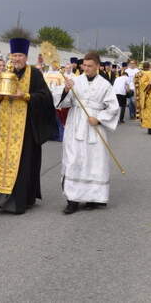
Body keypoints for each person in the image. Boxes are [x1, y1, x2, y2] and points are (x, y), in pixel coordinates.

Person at [0, 38, 58, 214]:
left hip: (24, 129)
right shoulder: (5, 74)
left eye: (20, 55)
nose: (16, 58)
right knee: (2, 163)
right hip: (3, 129)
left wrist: (25, 95)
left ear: (26, 57)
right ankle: (3, 199)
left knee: (23, 165)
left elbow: (46, 97)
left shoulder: (34, 74)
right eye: (14, 55)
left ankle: (19, 201)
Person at [57, 52, 120, 214]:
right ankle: (72, 199)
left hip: (94, 127)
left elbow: (113, 108)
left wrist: (99, 118)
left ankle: (93, 197)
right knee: (73, 159)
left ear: (98, 66)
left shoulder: (105, 85)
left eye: (90, 66)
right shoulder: (75, 81)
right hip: (76, 125)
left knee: (94, 161)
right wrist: (66, 89)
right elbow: (64, 102)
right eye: (84, 65)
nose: (86, 69)